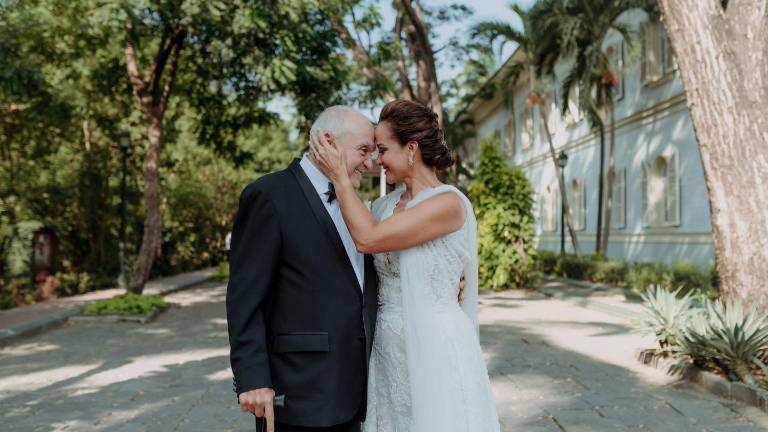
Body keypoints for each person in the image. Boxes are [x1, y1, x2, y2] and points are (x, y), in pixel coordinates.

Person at [309, 99, 500, 432]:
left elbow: (367, 239)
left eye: (382, 150)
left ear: (411, 148)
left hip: (434, 345)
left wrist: (340, 177)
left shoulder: (448, 203)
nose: (375, 161)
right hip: (386, 349)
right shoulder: (383, 206)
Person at [227, 106, 379, 432]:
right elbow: (245, 298)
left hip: (354, 391)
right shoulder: (269, 195)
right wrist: (252, 378)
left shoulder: (356, 205)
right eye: (363, 150)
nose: (370, 164)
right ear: (328, 142)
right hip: (298, 391)